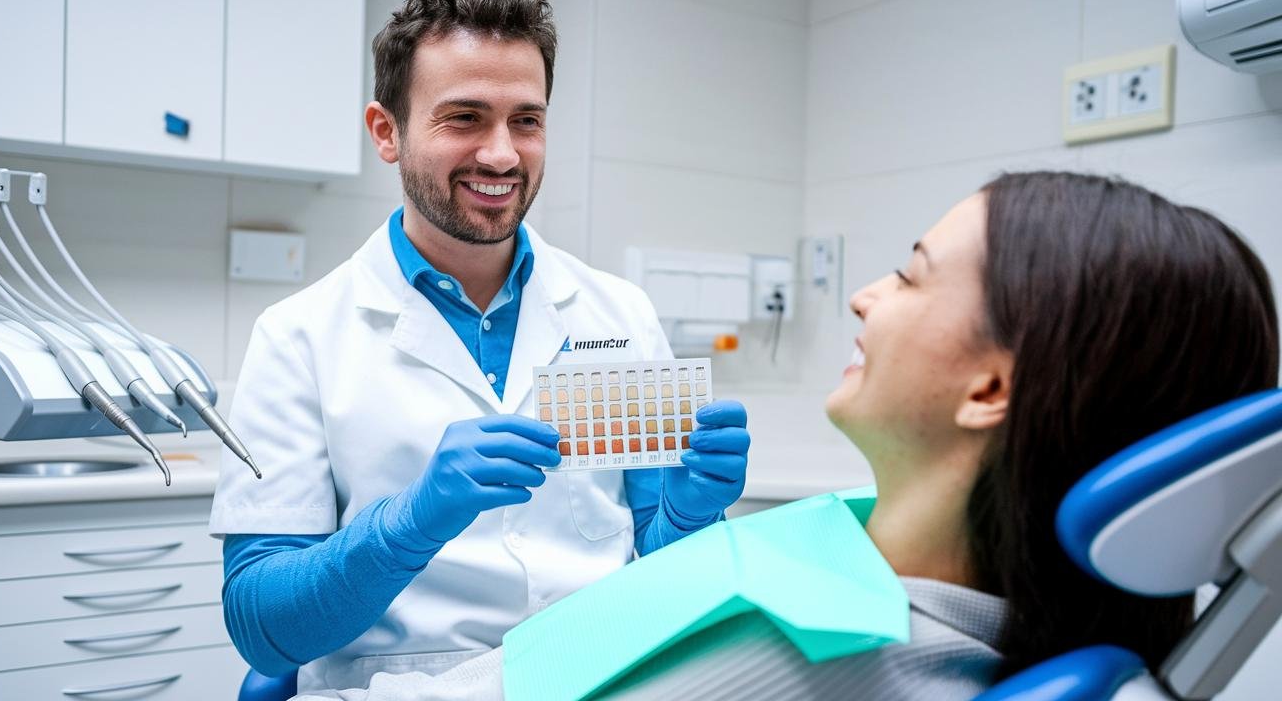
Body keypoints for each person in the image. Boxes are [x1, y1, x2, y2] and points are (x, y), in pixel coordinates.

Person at [292, 171, 1278, 700]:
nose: (861, 295)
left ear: (988, 387)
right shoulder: (872, 571)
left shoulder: (804, 652)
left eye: (910, 274)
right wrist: (674, 530)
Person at [209, 0, 751, 693]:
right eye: (464, 118)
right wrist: (408, 524)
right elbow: (262, 626)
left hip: (600, 676)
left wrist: (687, 520)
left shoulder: (619, 315)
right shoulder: (298, 337)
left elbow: (657, 574)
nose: (502, 155)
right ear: (386, 131)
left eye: (526, 121)